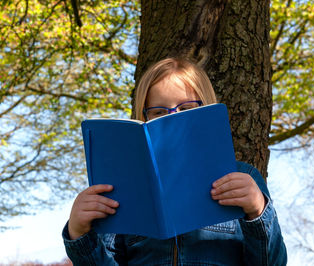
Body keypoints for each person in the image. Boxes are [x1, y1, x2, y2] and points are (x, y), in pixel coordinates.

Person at [62, 58, 287, 265]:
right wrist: (78, 233)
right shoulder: (123, 186)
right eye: (159, 112)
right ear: (144, 118)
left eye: (186, 108)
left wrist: (258, 211)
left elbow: (273, 262)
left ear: (206, 109)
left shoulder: (240, 177)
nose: (172, 119)